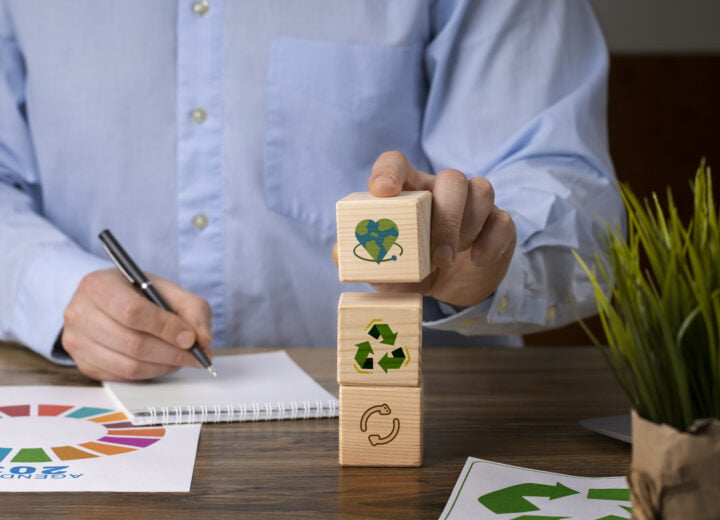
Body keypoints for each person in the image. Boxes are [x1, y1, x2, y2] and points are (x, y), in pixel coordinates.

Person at [0, 0, 623, 381]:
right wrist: (59, 290)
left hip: (434, 415)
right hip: (91, 411)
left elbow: (571, 192)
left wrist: (490, 260)